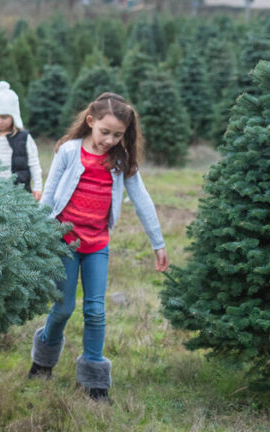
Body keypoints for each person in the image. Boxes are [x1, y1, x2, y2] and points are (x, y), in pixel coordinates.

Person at [27, 92, 169, 402]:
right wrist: (34, 234)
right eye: (105, 132)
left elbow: (142, 200)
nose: (110, 140)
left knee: (95, 311)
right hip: (64, 242)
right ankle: (43, 359)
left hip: (97, 246)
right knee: (63, 308)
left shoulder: (121, 161)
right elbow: (49, 195)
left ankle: (94, 381)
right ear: (90, 122)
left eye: (118, 135)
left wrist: (157, 243)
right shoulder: (69, 151)